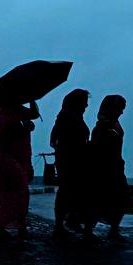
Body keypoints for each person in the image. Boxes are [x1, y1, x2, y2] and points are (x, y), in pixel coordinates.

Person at [0, 101, 39, 237]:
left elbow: (34, 114)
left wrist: (32, 100)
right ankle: (5, 221)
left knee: (18, 191)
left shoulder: (17, 109)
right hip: (5, 158)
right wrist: (22, 126)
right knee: (15, 191)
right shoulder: (0, 111)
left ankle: (17, 222)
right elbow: (3, 132)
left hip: (21, 156)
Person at [85, 94, 129, 241]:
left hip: (115, 165)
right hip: (105, 167)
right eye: (120, 108)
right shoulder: (103, 126)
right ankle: (89, 231)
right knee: (100, 199)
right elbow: (98, 148)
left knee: (118, 198)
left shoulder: (112, 124)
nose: (121, 112)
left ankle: (113, 229)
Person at [49, 89, 91, 238]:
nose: (86, 105)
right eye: (84, 102)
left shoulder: (69, 117)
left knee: (69, 192)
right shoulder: (69, 118)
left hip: (70, 160)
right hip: (70, 161)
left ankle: (66, 222)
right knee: (67, 191)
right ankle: (60, 225)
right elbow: (69, 142)